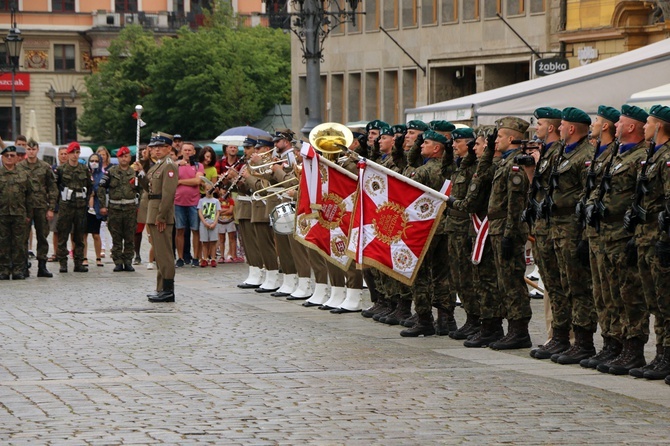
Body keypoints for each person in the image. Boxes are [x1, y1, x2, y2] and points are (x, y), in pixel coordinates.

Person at [589, 105, 649, 375]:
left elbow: (643, 197)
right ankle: (612, 343)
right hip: (604, 233)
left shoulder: (641, 157)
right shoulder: (616, 155)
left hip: (623, 234)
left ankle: (632, 350)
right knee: (607, 292)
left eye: (621, 121)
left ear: (631, 126)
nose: (616, 125)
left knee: (629, 294)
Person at [543, 107, 596, 364]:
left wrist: (583, 234)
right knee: (562, 285)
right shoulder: (564, 154)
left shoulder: (585, 155)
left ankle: (584, 342)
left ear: (572, 128)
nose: (559, 128)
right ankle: (562, 337)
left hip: (572, 227)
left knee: (578, 287)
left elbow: (587, 195)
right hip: (558, 226)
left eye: (562, 125)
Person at [485, 117, 533, 351]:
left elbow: (516, 203)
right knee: (504, 281)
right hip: (498, 228)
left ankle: (519, 331)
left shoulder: (515, 164)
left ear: (512, 138)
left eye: (501, 136)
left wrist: (509, 234)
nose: (496, 141)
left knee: (513, 281)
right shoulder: (503, 163)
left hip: (508, 228)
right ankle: (510, 329)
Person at [633, 105, 670, 382]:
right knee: (654, 300)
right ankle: (660, 354)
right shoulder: (652, 155)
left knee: (665, 300)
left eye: (648, 123)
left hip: (660, 238)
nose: (644, 127)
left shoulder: (667, 157)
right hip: (645, 236)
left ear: (659, 127)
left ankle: (666, 354)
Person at [139, 132, 179, 302]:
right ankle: (161, 287)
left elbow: (168, 194)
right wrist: (141, 174)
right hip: (153, 211)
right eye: (153, 147)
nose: (156, 150)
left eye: (160, 147)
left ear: (169, 148)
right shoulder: (157, 166)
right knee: (159, 254)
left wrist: (162, 216)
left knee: (164, 254)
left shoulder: (169, 165)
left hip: (161, 214)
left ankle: (168, 290)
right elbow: (149, 189)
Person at [18, 139, 58, 278]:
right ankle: (23, 266)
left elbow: (53, 188)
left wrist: (51, 208)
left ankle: (42, 266)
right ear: (26, 150)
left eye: (33, 149)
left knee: (42, 236)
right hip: (25, 207)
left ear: (37, 150)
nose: (31, 151)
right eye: (29, 149)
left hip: (41, 206)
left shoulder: (45, 167)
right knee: (23, 237)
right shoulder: (20, 167)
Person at [99, 146, 141, 272]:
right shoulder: (111, 172)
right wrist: (102, 205)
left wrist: (140, 206)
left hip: (130, 208)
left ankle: (128, 261)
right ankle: (117, 261)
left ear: (130, 158)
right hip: (115, 208)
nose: (124, 158)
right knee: (116, 237)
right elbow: (101, 187)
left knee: (129, 236)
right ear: (117, 158)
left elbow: (142, 189)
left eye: (126, 156)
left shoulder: (135, 172)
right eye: (121, 156)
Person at [56, 142, 92, 273]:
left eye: (77, 153)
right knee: (63, 236)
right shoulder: (61, 169)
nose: (74, 156)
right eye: (72, 153)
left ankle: (78, 262)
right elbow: (55, 187)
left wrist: (85, 200)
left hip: (80, 206)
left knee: (79, 236)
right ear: (68, 154)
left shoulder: (84, 169)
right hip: (66, 206)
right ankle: (63, 262)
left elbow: (89, 186)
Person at [0, 146, 32, 280]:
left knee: (19, 243)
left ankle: (18, 269)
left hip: (19, 214)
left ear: (16, 158)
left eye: (12, 155)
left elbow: (29, 196)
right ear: (2, 157)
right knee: (3, 243)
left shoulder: (24, 174)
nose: (9, 158)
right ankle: (4, 269)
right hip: (2, 214)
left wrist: (29, 214)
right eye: (6, 155)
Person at [174, 142, 204, 268]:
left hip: (194, 201)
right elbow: (171, 180)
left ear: (194, 152)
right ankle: (180, 257)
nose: (187, 152)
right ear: (181, 151)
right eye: (185, 150)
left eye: (189, 150)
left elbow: (197, 181)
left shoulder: (198, 166)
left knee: (195, 230)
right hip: (178, 201)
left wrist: (180, 181)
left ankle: (196, 257)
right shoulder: (175, 165)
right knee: (179, 229)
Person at [83, 153, 105, 268]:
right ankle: (84, 257)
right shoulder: (85, 173)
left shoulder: (102, 175)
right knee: (84, 234)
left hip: (96, 207)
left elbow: (102, 189)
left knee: (96, 234)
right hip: (85, 207)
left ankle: (98, 257)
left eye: (96, 161)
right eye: (92, 160)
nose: (94, 163)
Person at [96, 146, 113, 259]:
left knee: (111, 223)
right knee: (101, 223)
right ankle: (102, 247)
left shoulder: (111, 168)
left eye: (103, 154)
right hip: (99, 196)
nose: (102, 157)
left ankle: (112, 247)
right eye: (100, 155)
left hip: (110, 195)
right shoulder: (95, 168)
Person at [197, 188, 221, 267]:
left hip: (213, 223)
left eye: (210, 189)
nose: (208, 191)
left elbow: (218, 212)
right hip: (204, 224)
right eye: (207, 189)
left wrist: (214, 222)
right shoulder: (201, 201)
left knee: (213, 242)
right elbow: (200, 212)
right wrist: (204, 222)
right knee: (205, 242)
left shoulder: (216, 201)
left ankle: (213, 258)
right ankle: (205, 258)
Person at [217, 192, 237, 263]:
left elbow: (230, 211)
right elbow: (217, 211)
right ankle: (222, 256)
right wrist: (226, 210)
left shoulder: (231, 200)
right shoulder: (218, 200)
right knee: (222, 239)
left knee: (232, 239)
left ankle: (232, 255)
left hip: (230, 221)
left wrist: (222, 211)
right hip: (220, 222)